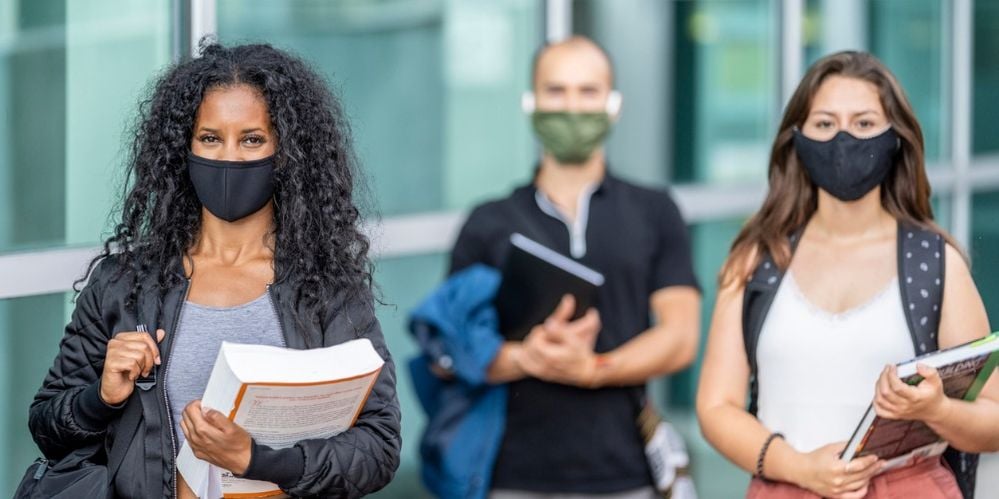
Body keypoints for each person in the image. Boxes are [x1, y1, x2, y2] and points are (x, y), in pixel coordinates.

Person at [28, 42, 401, 498]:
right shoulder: (123, 285)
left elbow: (378, 448)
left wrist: (255, 459)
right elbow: (47, 428)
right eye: (210, 138)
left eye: (251, 139)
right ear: (182, 149)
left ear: (287, 152)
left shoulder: (324, 289)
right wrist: (100, 397)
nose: (228, 157)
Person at [696, 51, 999, 499]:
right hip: (784, 487)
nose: (843, 138)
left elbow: (993, 419)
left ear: (895, 138)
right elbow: (715, 406)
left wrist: (938, 410)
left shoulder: (936, 262)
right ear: (796, 139)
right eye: (824, 124)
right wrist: (799, 467)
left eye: (863, 123)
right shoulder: (757, 258)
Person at [449, 36, 702, 497]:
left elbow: (681, 336)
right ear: (531, 103)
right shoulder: (488, 222)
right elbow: (454, 348)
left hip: (627, 475)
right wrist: (527, 358)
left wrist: (595, 368)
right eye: (556, 91)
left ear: (613, 104)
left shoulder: (655, 211)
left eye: (588, 92)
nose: (571, 106)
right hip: (511, 477)